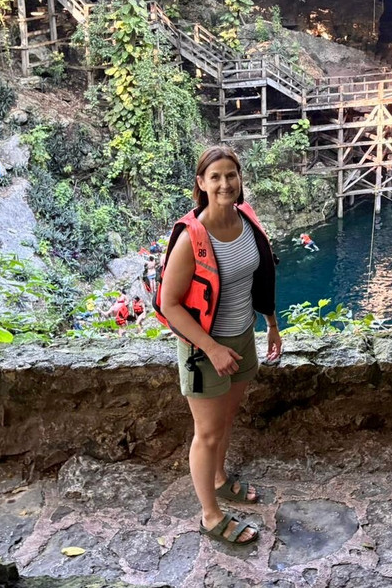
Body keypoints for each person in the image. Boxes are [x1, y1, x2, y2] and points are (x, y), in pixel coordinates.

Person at [157, 146, 282, 548]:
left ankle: (219, 478)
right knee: (207, 434)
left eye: (231, 175)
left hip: (242, 336)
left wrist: (271, 324)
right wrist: (211, 348)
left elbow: (261, 277)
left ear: (240, 178)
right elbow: (168, 304)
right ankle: (210, 516)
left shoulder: (246, 220)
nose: (225, 184)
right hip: (204, 347)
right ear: (202, 183)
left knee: (226, 421)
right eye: (216, 177)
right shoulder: (192, 237)